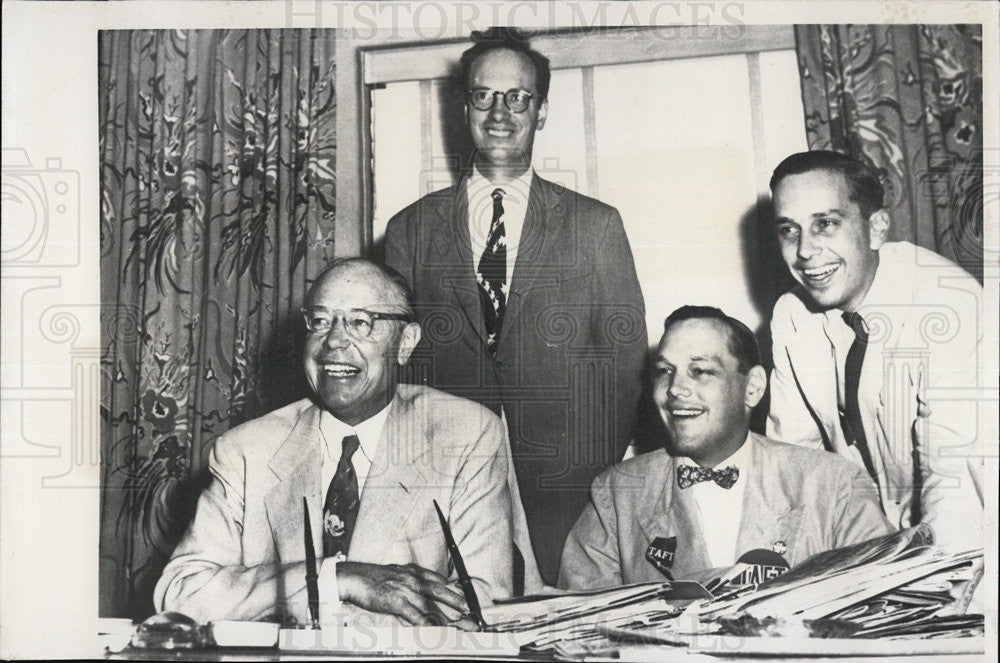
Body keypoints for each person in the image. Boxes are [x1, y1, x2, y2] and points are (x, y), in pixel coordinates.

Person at [384, 27, 647, 589]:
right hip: (447, 473)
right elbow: (395, 361)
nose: (500, 111)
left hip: (565, 479)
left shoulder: (596, 225)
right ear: (464, 108)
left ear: (541, 110)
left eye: (518, 97)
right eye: (484, 95)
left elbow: (623, 363)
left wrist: (590, 466)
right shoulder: (410, 229)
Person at [154, 259, 514, 626]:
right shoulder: (247, 450)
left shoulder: (466, 436)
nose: (334, 341)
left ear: (406, 343)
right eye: (321, 321)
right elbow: (181, 595)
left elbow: (480, 605)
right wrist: (339, 578)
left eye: (360, 322)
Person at [559, 306, 892, 590]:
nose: (675, 389)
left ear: (752, 388)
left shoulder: (835, 485)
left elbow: (887, 609)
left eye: (700, 371)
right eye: (664, 372)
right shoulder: (617, 493)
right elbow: (579, 630)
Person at [767, 151, 985, 552]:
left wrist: (917, 585)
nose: (805, 251)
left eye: (826, 224)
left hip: (966, 537)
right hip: (866, 540)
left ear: (877, 228)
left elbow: (954, 483)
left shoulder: (950, 305)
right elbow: (797, 464)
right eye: (789, 230)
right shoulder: (792, 315)